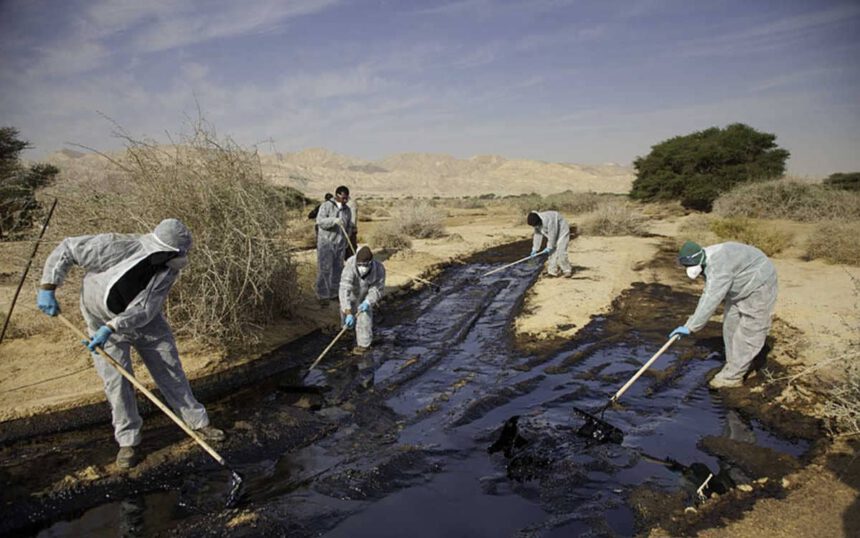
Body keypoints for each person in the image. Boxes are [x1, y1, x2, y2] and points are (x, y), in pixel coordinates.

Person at [36, 218, 225, 469]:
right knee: (117, 382)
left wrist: (112, 327)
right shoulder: (118, 246)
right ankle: (128, 441)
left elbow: (145, 310)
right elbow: (68, 248)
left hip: (144, 325)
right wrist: (48, 286)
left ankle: (198, 423)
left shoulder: (170, 269)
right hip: (101, 323)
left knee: (171, 371)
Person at [669, 240, 778, 389]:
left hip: (759, 283)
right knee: (731, 326)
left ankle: (732, 377)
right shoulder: (705, 257)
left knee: (750, 330)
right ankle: (736, 364)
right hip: (738, 286)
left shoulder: (719, 267)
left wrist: (690, 326)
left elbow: (710, 298)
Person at [339, 244, 385, 354]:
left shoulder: (379, 268)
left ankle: (364, 346)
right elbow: (344, 288)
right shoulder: (350, 264)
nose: (362, 268)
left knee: (364, 318)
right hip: (352, 295)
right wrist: (348, 311)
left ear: (370, 262)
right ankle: (348, 332)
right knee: (347, 319)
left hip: (366, 297)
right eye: (359, 264)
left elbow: (377, 289)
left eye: (365, 265)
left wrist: (368, 302)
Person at [315, 186, 352, 301]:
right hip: (326, 243)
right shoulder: (326, 206)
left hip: (340, 244)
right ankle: (322, 295)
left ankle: (334, 293)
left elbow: (349, 226)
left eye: (347, 198)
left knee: (338, 269)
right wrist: (333, 221)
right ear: (337, 195)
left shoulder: (347, 210)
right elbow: (320, 221)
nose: (345, 201)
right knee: (325, 269)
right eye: (343, 198)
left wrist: (346, 240)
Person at [527, 210, 572, 277]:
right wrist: (535, 249)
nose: (535, 227)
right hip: (553, 232)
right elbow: (537, 235)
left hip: (562, 231)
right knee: (551, 253)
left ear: (539, 222)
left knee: (561, 252)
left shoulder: (549, 219)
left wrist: (549, 246)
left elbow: (552, 234)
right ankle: (552, 271)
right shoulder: (537, 222)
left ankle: (567, 270)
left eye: (536, 226)